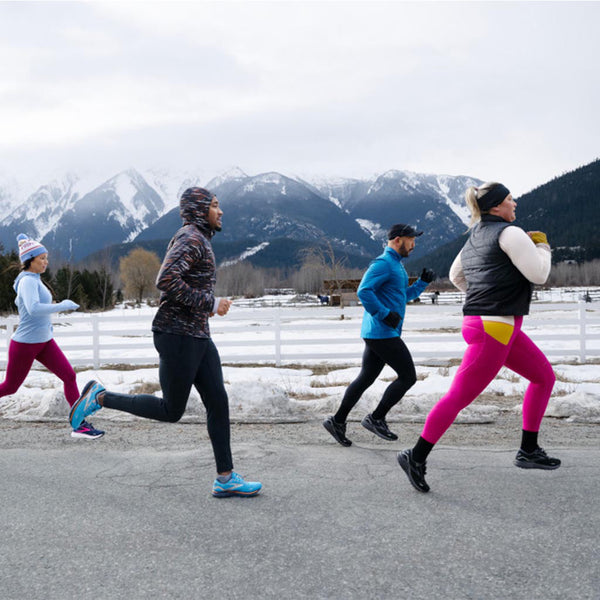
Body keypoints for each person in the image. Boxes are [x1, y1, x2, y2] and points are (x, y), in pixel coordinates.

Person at [69, 187, 262, 498]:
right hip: (178, 335)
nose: (220, 211)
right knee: (172, 410)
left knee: (218, 402)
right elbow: (166, 280)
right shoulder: (191, 238)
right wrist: (210, 303)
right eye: (214, 206)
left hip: (196, 335)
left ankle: (225, 478)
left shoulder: (199, 239)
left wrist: (205, 309)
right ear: (200, 211)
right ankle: (100, 397)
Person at [398, 182, 559, 493]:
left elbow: (458, 276)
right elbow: (539, 275)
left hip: (488, 323)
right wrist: (542, 247)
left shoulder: (475, 236)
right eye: (511, 200)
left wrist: (485, 295)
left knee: (543, 377)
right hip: (494, 328)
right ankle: (415, 457)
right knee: (458, 396)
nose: (515, 205)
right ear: (497, 206)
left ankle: (528, 449)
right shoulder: (511, 233)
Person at [323, 224, 435, 446]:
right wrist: (384, 314)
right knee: (408, 377)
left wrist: (422, 283)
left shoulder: (397, 266)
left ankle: (337, 421)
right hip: (382, 332)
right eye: (411, 240)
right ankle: (376, 418)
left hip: (380, 332)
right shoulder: (384, 263)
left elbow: (402, 295)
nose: (414, 245)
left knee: (366, 377)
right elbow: (363, 290)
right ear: (397, 240)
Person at [1, 234, 103, 439]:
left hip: (44, 342)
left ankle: (79, 424)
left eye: (46, 257)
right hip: (25, 344)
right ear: (30, 260)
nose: (46, 262)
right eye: (42, 258)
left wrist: (47, 326)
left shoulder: (34, 279)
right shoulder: (28, 281)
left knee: (69, 376)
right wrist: (62, 306)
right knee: (10, 387)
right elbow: (33, 308)